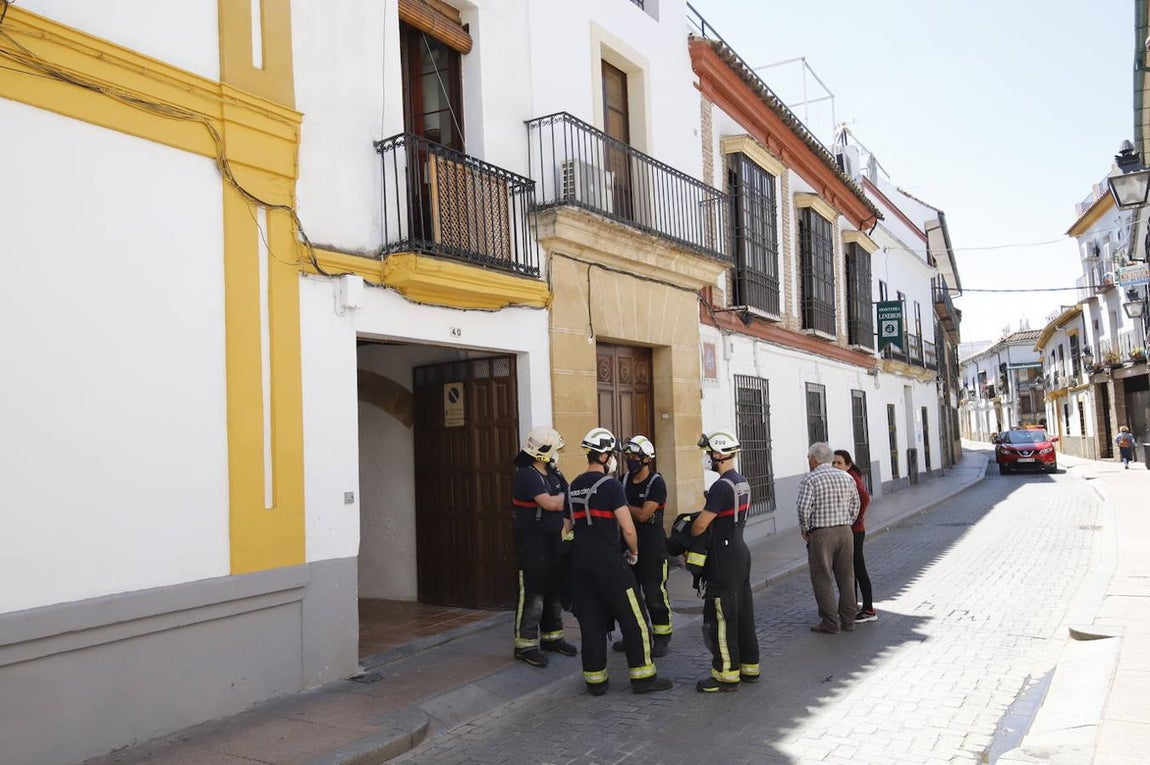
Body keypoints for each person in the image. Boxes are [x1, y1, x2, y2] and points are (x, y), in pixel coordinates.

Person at [568, 427, 672, 696]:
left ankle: (595, 681)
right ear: (603, 457)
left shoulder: (574, 486)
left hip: (580, 566)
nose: (617, 459)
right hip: (610, 564)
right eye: (612, 454)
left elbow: (564, 528)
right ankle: (643, 678)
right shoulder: (612, 486)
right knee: (634, 619)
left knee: (591, 623)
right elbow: (628, 528)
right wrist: (634, 552)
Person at [691, 431, 760, 693]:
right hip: (740, 550)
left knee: (721, 615)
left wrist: (690, 533)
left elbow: (701, 524)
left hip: (723, 555)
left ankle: (725, 674)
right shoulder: (742, 481)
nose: (707, 457)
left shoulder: (721, 486)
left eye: (709, 452)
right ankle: (749, 666)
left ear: (719, 454)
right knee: (742, 611)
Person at [511, 426, 578, 667]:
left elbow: (567, 495)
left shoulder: (553, 472)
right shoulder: (526, 475)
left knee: (553, 590)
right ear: (543, 451)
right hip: (532, 542)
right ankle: (525, 644)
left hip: (553, 540)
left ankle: (553, 638)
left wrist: (561, 500)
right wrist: (561, 500)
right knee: (534, 594)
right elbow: (550, 503)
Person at [613, 435, 672, 657]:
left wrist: (620, 507)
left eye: (635, 457)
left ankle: (662, 637)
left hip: (652, 548)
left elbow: (645, 514)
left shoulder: (657, 483)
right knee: (629, 596)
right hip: (626, 546)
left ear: (647, 459)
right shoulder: (622, 481)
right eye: (628, 456)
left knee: (654, 593)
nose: (631, 460)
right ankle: (635, 636)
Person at [797, 442, 861, 635]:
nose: (808, 461)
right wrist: (847, 521)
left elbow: (803, 507)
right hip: (845, 532)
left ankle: (830, 622)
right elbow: (855, 504)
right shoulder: (846, 477)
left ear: (815, 459)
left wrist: (806, 528)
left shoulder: (810, 479)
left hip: (822, 534)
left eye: (809, 458)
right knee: (847, 576)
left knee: (822, 577)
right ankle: (849, 620)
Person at [833, 449, 875, 623]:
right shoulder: (846, 477)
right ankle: (854, 605)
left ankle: (868, 609)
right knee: (850, 570)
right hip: (852, 529)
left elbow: (865, 498)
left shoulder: (852, 478)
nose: (836, 466)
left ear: (848, 464)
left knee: (858, 569)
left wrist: (855, 519)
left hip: (856, 532)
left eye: (839, 463)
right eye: (833, 463)